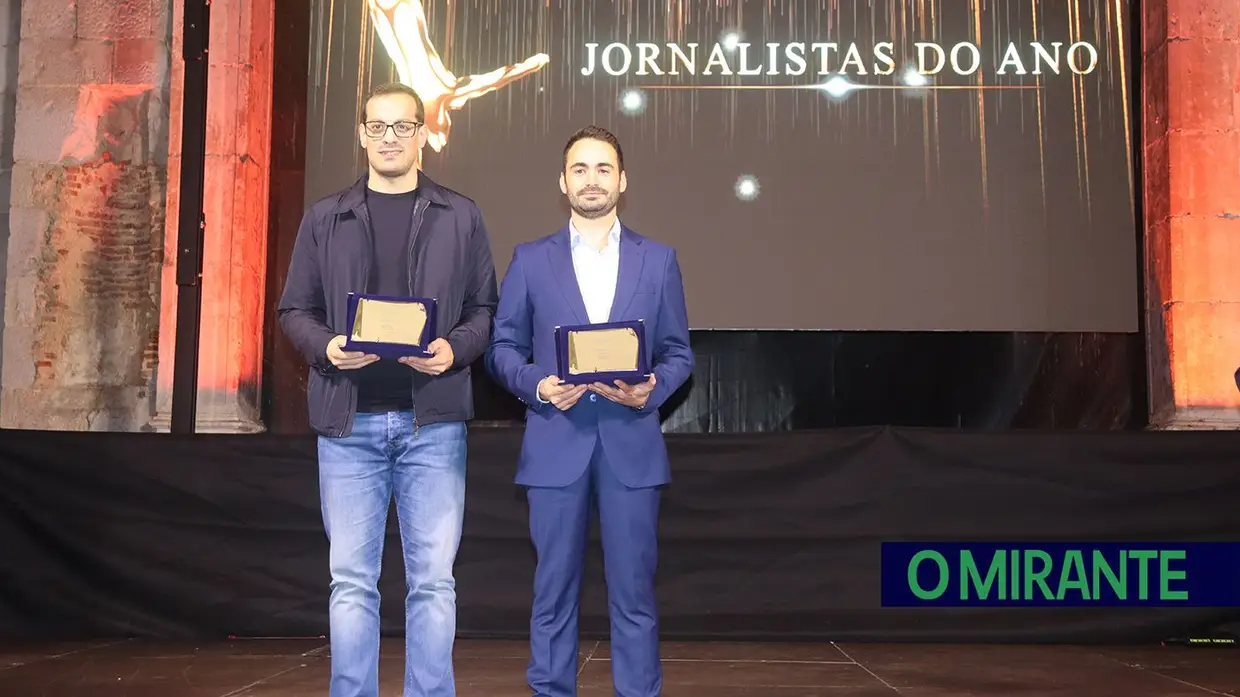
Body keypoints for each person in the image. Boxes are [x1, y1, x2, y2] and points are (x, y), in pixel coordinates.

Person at [276, 82, 498, 697]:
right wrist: (328, 348)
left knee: (433, 581)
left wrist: (454, 349)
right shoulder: (326, 216)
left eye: (403, 126)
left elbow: (484, 310)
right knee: (350, 580)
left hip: (435, 423)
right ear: (361, 134)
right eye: (378, 126)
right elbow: (295, 310)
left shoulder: (462, 213)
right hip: (349, 423)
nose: (391, 137)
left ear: (423, 134)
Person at [485, 125, 695, 697]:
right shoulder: (530, 260)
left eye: (604, 168)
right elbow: (501, 348)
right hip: (556, 442)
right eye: (580, 168)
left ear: (622, 182)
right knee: (552, 592)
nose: (592, 179)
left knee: (634, 593)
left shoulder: (659, 260)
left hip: (631, 443)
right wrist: (538, 384)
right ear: (563, 181)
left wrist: (651, 389)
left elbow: (678, 352)